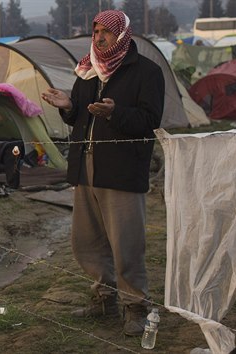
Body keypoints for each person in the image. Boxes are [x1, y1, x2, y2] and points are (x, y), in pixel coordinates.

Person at [41, 9, 164, 336]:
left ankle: (136, 306)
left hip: (122, 168)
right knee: (87, 240)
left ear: (121, 35)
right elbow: (81, 116)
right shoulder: (88, 70)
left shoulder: (145, 72)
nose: (98, 37)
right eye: (95, 31)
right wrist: (68, 106)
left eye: (105, 32)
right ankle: (103, 299)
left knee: (126, 242)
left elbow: (149, 120)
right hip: (86, 166)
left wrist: (115, 113)